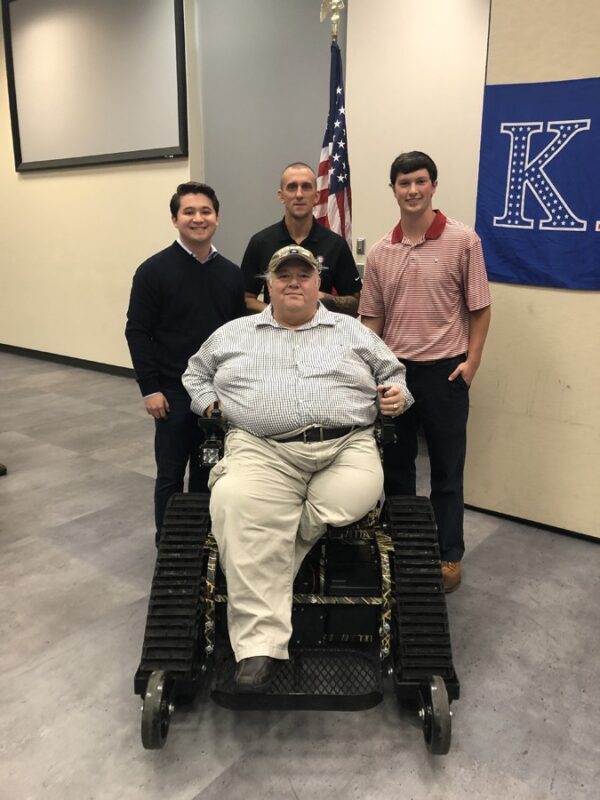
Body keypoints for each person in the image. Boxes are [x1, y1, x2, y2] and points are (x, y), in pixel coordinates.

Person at [183, 244, 413, 692]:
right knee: (231, 500)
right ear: (267, 286)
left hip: (346, 444)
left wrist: (397, 396)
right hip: (261, 447)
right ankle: (257, 649)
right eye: (282, 275)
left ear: (317, 285)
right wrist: (205, 400)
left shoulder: (352, 330)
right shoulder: (233, 333)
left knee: (346, 500)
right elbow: (194, 373)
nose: (293, 282)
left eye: (302, 275)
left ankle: (261, 564)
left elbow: (396, 374)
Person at [359, 151, 491, 594]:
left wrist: (471, 364)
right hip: (395, 377)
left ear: (433, 185)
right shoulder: (380, 252)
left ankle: (448, 555)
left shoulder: (463, 241)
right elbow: (372, 320)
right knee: (395, 471)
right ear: (393, 189)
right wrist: (369, 372)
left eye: (419, 181)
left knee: (447, 472)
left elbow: (479, 307)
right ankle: (402, 550)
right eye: (403, 183)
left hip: (445, 376)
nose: (412, 190)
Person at [125, 182, 246, 545]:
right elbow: (137, 332)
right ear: (175, 219)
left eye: (205, 211)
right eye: (189, 212)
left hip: (217, 395)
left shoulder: (230, 274)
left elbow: (239, 336)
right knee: (172, 475)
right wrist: (150, 389)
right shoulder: (153, 271)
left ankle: (201, 542)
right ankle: (171, 544)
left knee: (210, 471)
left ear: (217, 218)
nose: (198, 218)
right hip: (172, 394)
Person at [241, 162, 362, 316]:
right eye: (292, 187)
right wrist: (279, 313)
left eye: (306, 187)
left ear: (316, 196)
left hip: (321, 334)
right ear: (281, 196)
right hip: (274, 334)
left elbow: (356, 303)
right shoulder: (260, 242)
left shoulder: (335, 244)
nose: (299, 194)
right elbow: (245, 298)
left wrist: (323, 298)